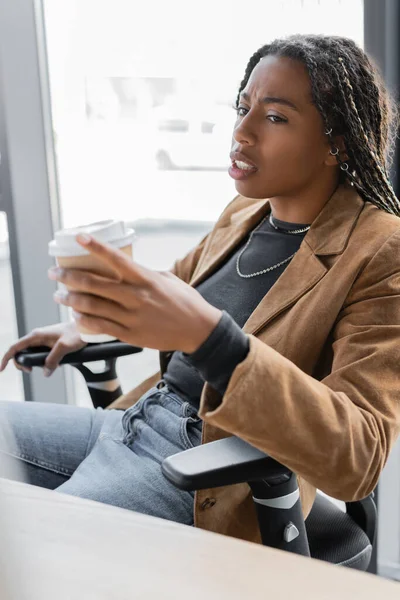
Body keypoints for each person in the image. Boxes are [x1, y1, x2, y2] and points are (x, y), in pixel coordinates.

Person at [0, 33, 399, 544]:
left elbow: (358, 456)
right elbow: (178, 290)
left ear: (336, 143)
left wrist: (215, 341)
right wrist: (91, 321)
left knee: (37, 547)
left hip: (208, 467)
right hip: (138, 423)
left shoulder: (382, 251)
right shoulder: (245, 213)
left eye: (274, 117)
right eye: (243, 107)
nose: (242, 132)